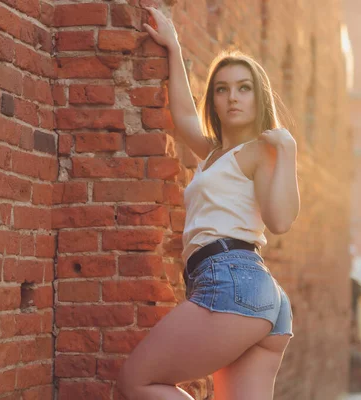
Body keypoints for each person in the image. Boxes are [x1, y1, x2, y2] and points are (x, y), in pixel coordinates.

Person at [116, 6, 300, 400]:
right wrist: (173, 45)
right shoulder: (216, 154)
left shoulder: (259, 152)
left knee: (138, 381)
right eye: (222, 88)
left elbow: (280, 220)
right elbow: (183, 118)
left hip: (231, 280)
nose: (232, 97)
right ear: (214, 99)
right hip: (251, 293)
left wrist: (288, 152)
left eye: (244, 87)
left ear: (258, 96)